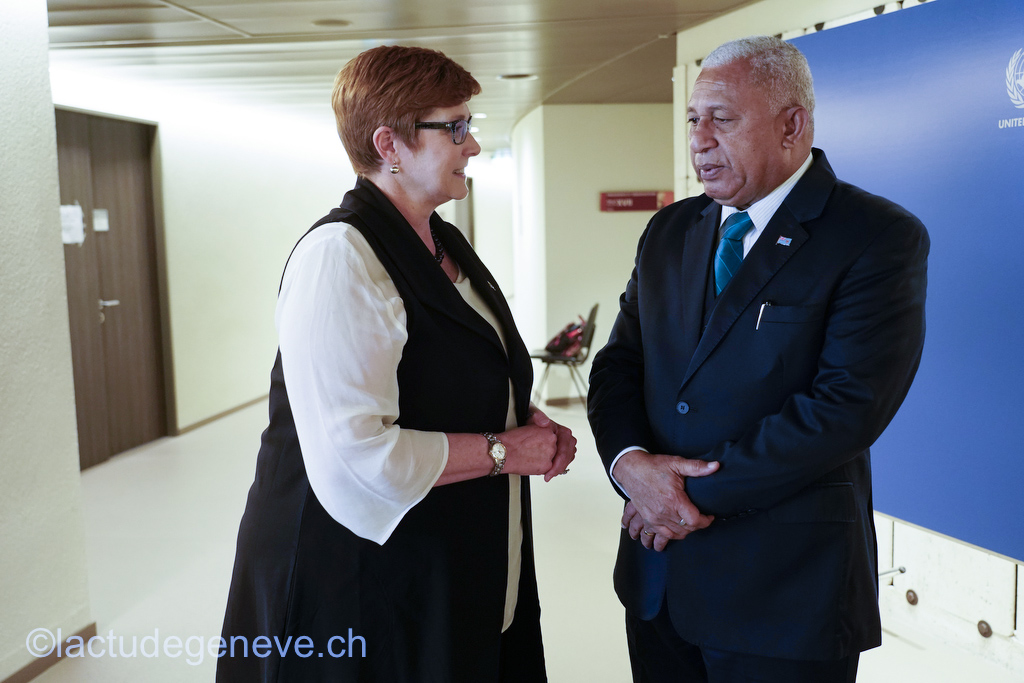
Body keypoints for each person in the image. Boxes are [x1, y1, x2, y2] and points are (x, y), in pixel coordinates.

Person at [218, 45, 575, 683]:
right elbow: (361, 453)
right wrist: (505, 449)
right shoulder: (341, 256)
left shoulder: (441, 238)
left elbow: (455, 368)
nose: (472, 145)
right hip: (356, 581)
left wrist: (525, 419)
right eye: (456, 127)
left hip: (448, 560)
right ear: (390, 143)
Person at [588, 35, 928, 683]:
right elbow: (620, 364)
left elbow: (843, 409)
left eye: (723, 117)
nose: (699, 139)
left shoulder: (875, 237)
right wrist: (630, 466)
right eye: (693, 118)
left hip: (787, 598)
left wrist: (675, 495)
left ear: (792, 124)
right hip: (658, 584)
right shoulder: (669, 230)